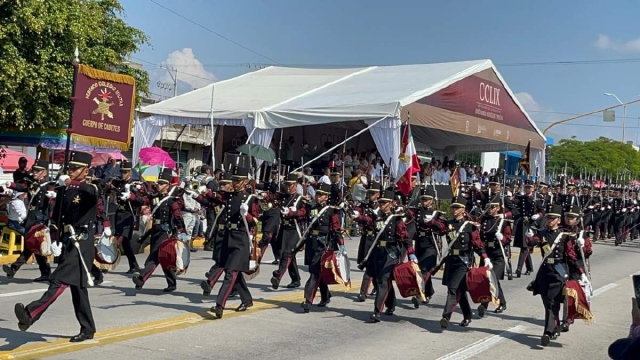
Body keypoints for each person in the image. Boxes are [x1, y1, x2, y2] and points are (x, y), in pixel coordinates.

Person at [14, 150, 99, 342]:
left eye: (76, 168)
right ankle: (88, 328)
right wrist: (55, 240)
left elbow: (93, 193)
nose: (72, 170)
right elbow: (58, 217)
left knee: (59, 280)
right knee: (78, 288)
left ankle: (30, 314)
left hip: (83, 241)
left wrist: (71, 183)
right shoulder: (64, 189)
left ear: (85, 171)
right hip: (69, 241)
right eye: (71, 167)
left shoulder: (90, 187)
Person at [355, 189, 415, 323]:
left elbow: (405, 237)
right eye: (380, 202)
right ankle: (391, 304)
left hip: (390, 253)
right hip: (377, 252)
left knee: (383, 281)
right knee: (379, 280)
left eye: (385, 203)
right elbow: (366, 220)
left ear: (391, 204)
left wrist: (411, 253)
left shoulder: (396, 220)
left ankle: (377, 311)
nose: (381, 205)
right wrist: (356, 216)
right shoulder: (376, 217)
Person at [528, 203, 584, 347]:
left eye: (553, 218)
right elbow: (534, 242)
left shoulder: (564, 236)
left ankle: (547, 332)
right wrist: (529, 237)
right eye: (548, 218)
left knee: (553, 302)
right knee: (548, 304)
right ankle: (554, 326)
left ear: (558, 220)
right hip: (545, 272)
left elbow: (571, 256)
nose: (549, 220)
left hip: (559, 272)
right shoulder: (541, 234)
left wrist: (580, 272)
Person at [210, 166, 260, 319]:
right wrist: (199, 196)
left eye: (238, 180)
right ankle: (247, 299)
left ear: (245, 182)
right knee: (233, 272)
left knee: (231, 273)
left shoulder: (251, 199)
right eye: (234, 180)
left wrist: (248, 215)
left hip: (241, 240)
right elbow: (213, 200)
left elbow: (256, 221)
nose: (235, 183)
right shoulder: (230, 196)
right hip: (228, 237)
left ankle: (220, 305)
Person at [132, 168, 189, 292]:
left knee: (155, 256)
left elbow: (178, 215)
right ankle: (172, 283)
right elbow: (142, 201)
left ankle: (141, 279)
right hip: (155, 231)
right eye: (159, 183)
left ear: (167, 185)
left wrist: (182, 231)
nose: (159, 185)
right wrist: (131, 196)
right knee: (163, 258)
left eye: (162, 183)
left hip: (166, 232)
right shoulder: (154, 197)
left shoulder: (171, 200)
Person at [440, 195, 488, 329]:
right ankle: (467, 315)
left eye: (457, 207)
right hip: (451, 260)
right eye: (453, 207)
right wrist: (431, 220)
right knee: (459, 290)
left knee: (453, 289)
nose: (454, 210)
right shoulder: (448, 223)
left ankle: (446, 316)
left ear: (463, 209)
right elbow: (437, 228)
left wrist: (485, 257)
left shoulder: (469, 226)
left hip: (463, 261)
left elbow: (477, 243)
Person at [3, 160, 55, 282]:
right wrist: (10, 184)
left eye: (37, 170)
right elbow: (22, 187)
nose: (34, 172)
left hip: (40, 218)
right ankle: (45, 273)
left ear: (44, 172)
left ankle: (14, 268)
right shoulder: (32, 183)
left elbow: (52, 205)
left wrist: (51, 219)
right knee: (32, 245)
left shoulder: (49, 185)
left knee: (31, 245)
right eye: (34, 170)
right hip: (30, 218)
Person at [297, 183, 344, 313]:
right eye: (317, 194)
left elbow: (336, 229)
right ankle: (325, 296)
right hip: (312, 243)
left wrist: (341, 244)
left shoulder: (331, 211)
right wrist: (290, 212)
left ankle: (308, 300)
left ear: (327, 196)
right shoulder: (311, 207)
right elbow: (300, 214)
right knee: (319, 272)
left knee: (314, 272)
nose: (318, 197)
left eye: (321, 195)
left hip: (323, 245)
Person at [410, 188, 446, 308]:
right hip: (420, 243)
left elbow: (443, 229)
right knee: (420, 270)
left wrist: (433, 223)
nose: (424, 202)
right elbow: (407, 217)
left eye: (426, 200)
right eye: (422, 199)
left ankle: (419, 294)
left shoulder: (437, 214)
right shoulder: (417, 212)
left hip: (431, 244)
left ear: (431, 201)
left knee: (425, 270)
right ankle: (429, 291)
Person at [269, 173, 305, 290]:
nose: (288, 187)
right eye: (286, 185)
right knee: (290, 255)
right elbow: (271, 197)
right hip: (284, 229)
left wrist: (293, 213)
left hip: (294, 229)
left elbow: (304, 213)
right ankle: (295, 279)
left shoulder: (300, 198)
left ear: (295, 185)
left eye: (290, 185)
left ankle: (278, 276)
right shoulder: (283, 197)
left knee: (287, 254)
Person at [477, 194, 511, 316]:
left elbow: (508, 240)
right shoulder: (483, 219)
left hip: (498, 254)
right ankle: (501, 302)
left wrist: (502, 238)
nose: (490, 209)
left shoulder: (502, 221)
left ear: (498, 208)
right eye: (489, 207)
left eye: (493, 207)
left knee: (493, 278)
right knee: (486, 279)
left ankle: (484, 305)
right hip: (487, 253)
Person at [110, 161, 143, 274]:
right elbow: (107, 187)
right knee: (126, 243)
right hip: (119, 213)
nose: (122, 174)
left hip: (129, 215)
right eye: (122, 172)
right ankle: (134, 265)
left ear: (129, 173)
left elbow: (140, 201)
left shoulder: (134, 185)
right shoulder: (118, 183)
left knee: (120, 239)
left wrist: (130, 197)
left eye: (125, 172)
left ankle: (106, 261)